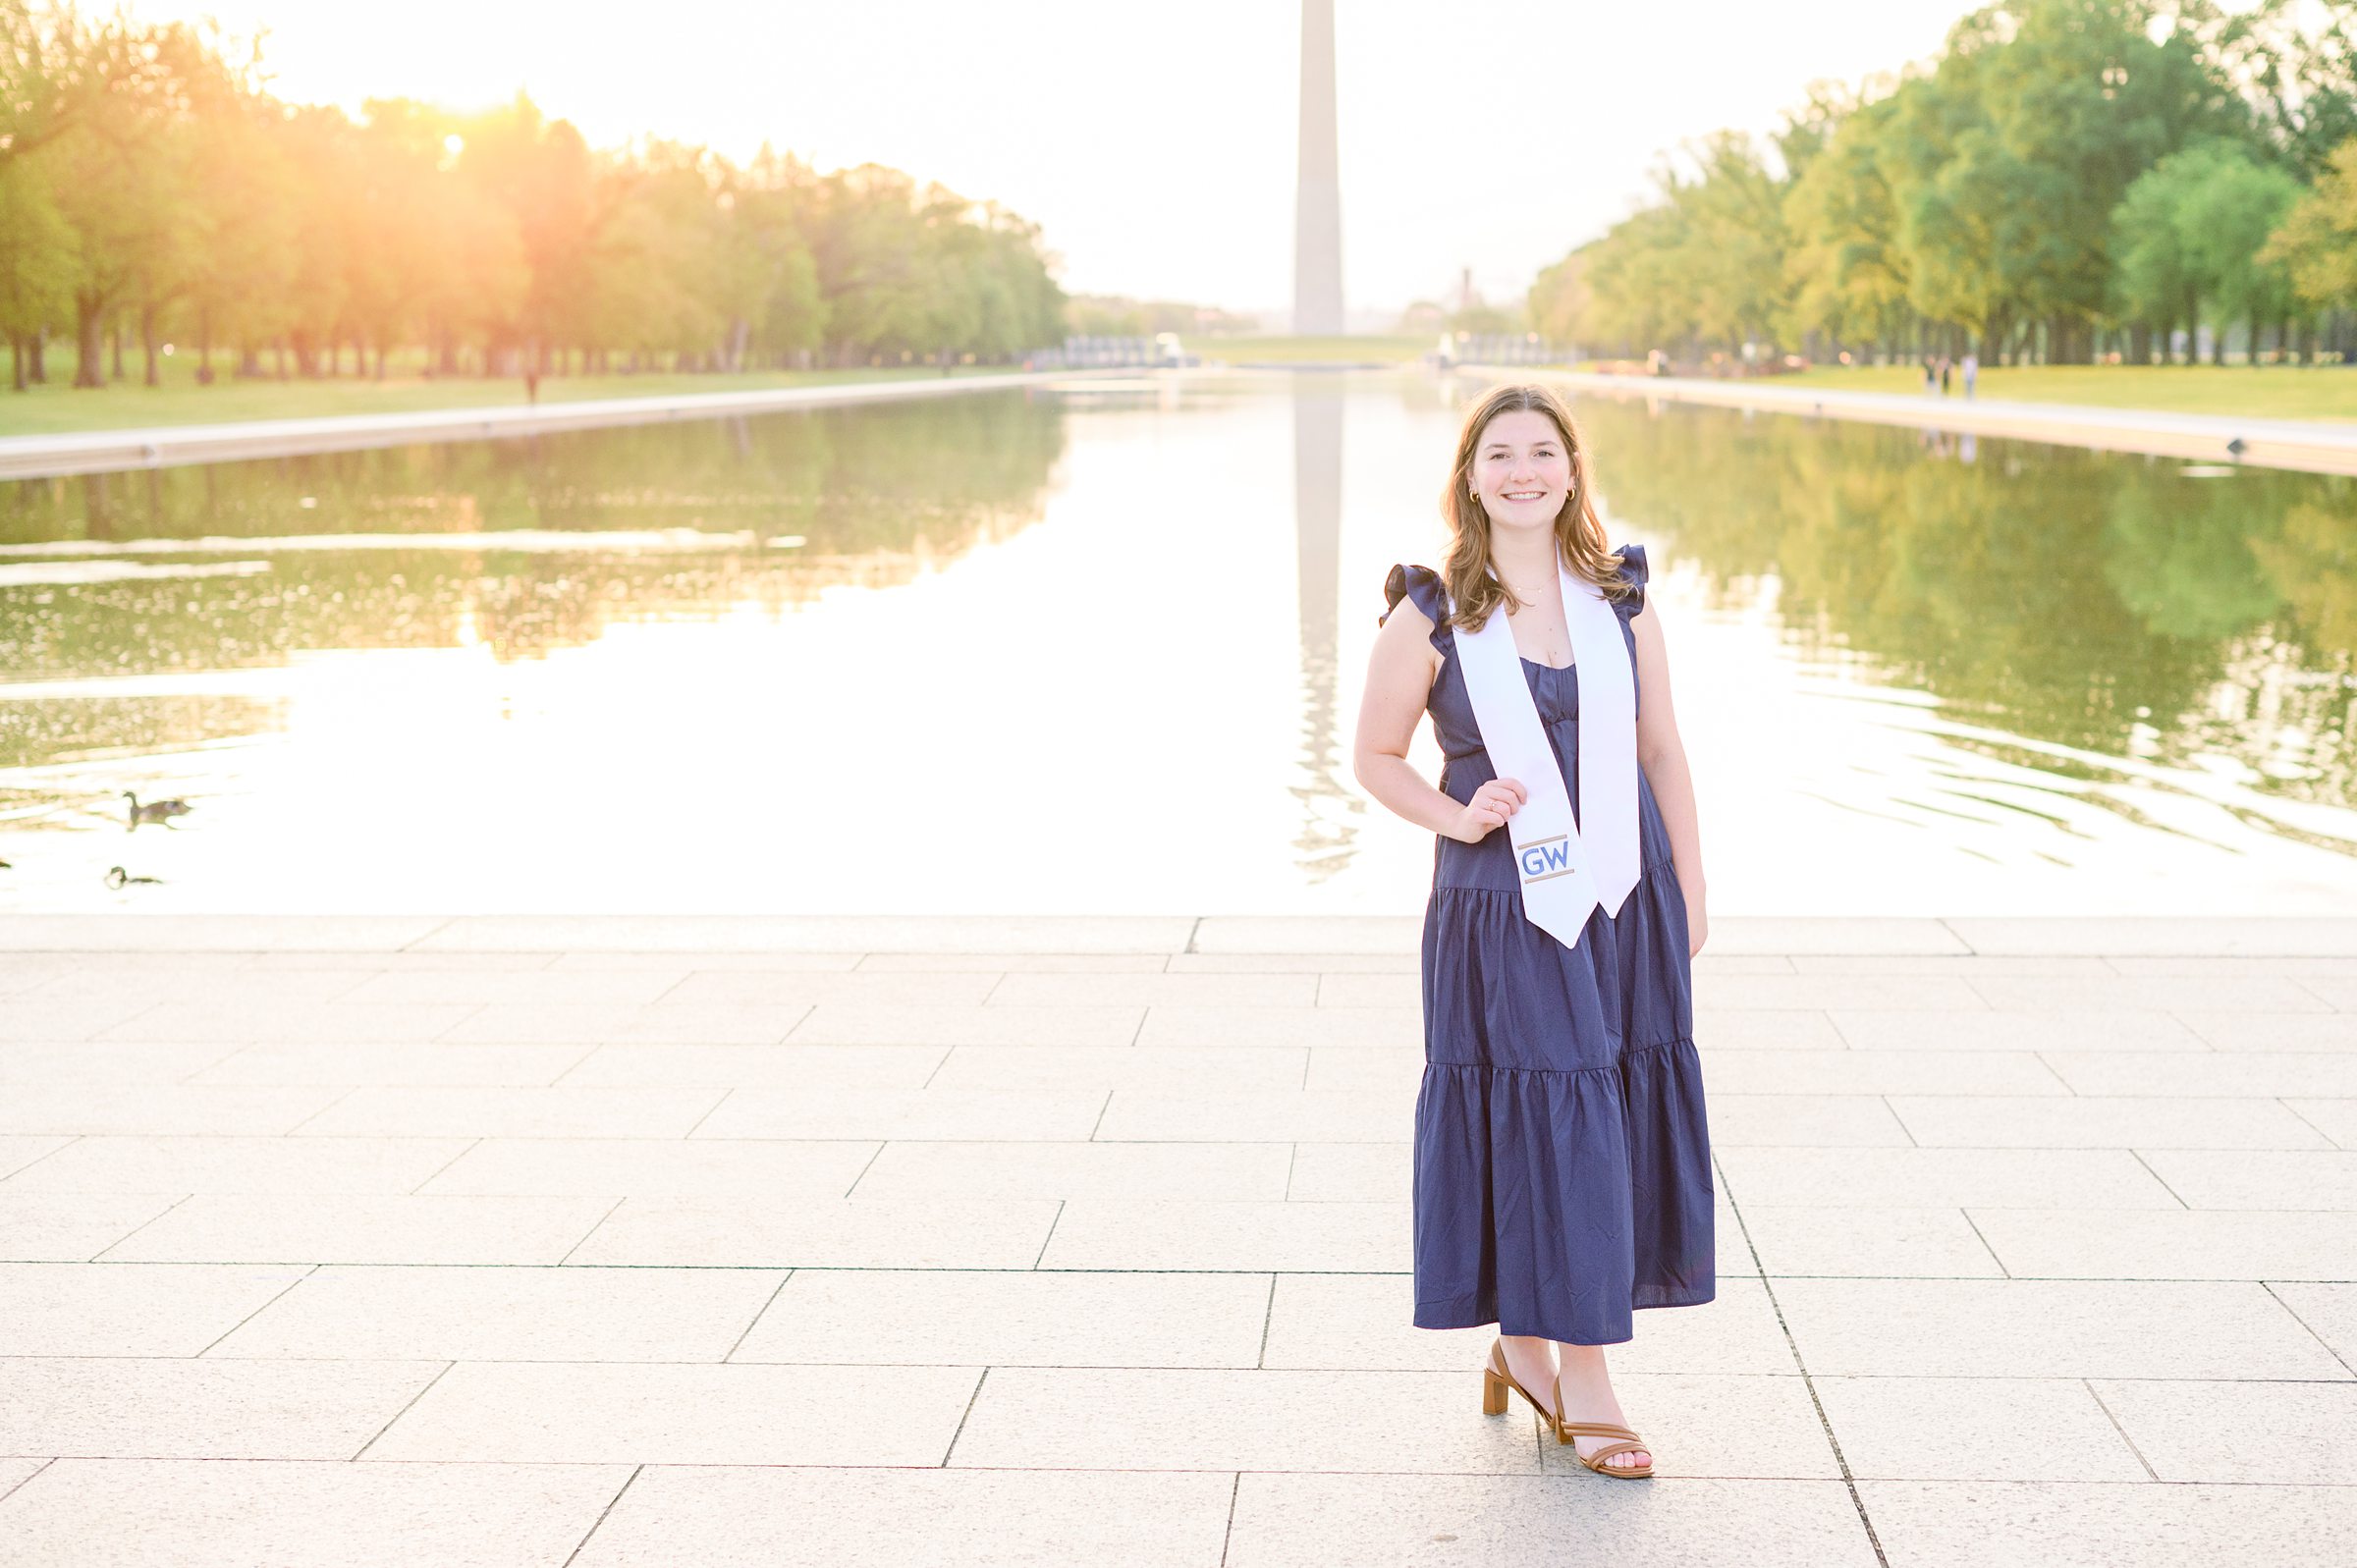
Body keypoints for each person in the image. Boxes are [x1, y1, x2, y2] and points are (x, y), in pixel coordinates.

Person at [1352, 382, 1715, 1480]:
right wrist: (1457, 813)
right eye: (1499, 453)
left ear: (1571, 469)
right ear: (1468, 475)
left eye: (1542, 452)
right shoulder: (1429, 613)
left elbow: (1662, 751)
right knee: (1552, 1116)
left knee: (1601, 1109)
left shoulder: (1621, 602)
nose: (1523, 471)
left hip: (1622, 897)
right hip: (1503, 908)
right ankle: (1585, 1380)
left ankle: (1525, 1345)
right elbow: (1372, 758)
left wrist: (1691, 887)